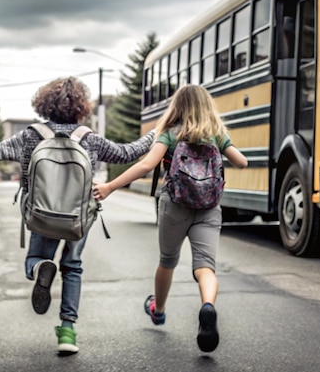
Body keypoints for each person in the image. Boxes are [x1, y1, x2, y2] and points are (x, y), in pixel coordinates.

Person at [0, 76, 156, 354]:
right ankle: (67, 332)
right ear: (81, 106)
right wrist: (156, 133)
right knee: (73, 267)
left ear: (44, 104)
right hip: (79, 216)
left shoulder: (30, 135)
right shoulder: (89, 138)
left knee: (37, 258)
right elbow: (128, 153)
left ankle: (41, 268)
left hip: (41, 214)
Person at [92, 84, 248, 353]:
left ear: (177, 106)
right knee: (205, 267)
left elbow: (145, 165)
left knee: (167, 260)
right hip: (209, 207)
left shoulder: (170, 133)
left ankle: (159, 309)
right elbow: (241, 162)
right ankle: (207, 306)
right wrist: (224, 146)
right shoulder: (216, 134)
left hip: (174, 205)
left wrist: (109, 187)